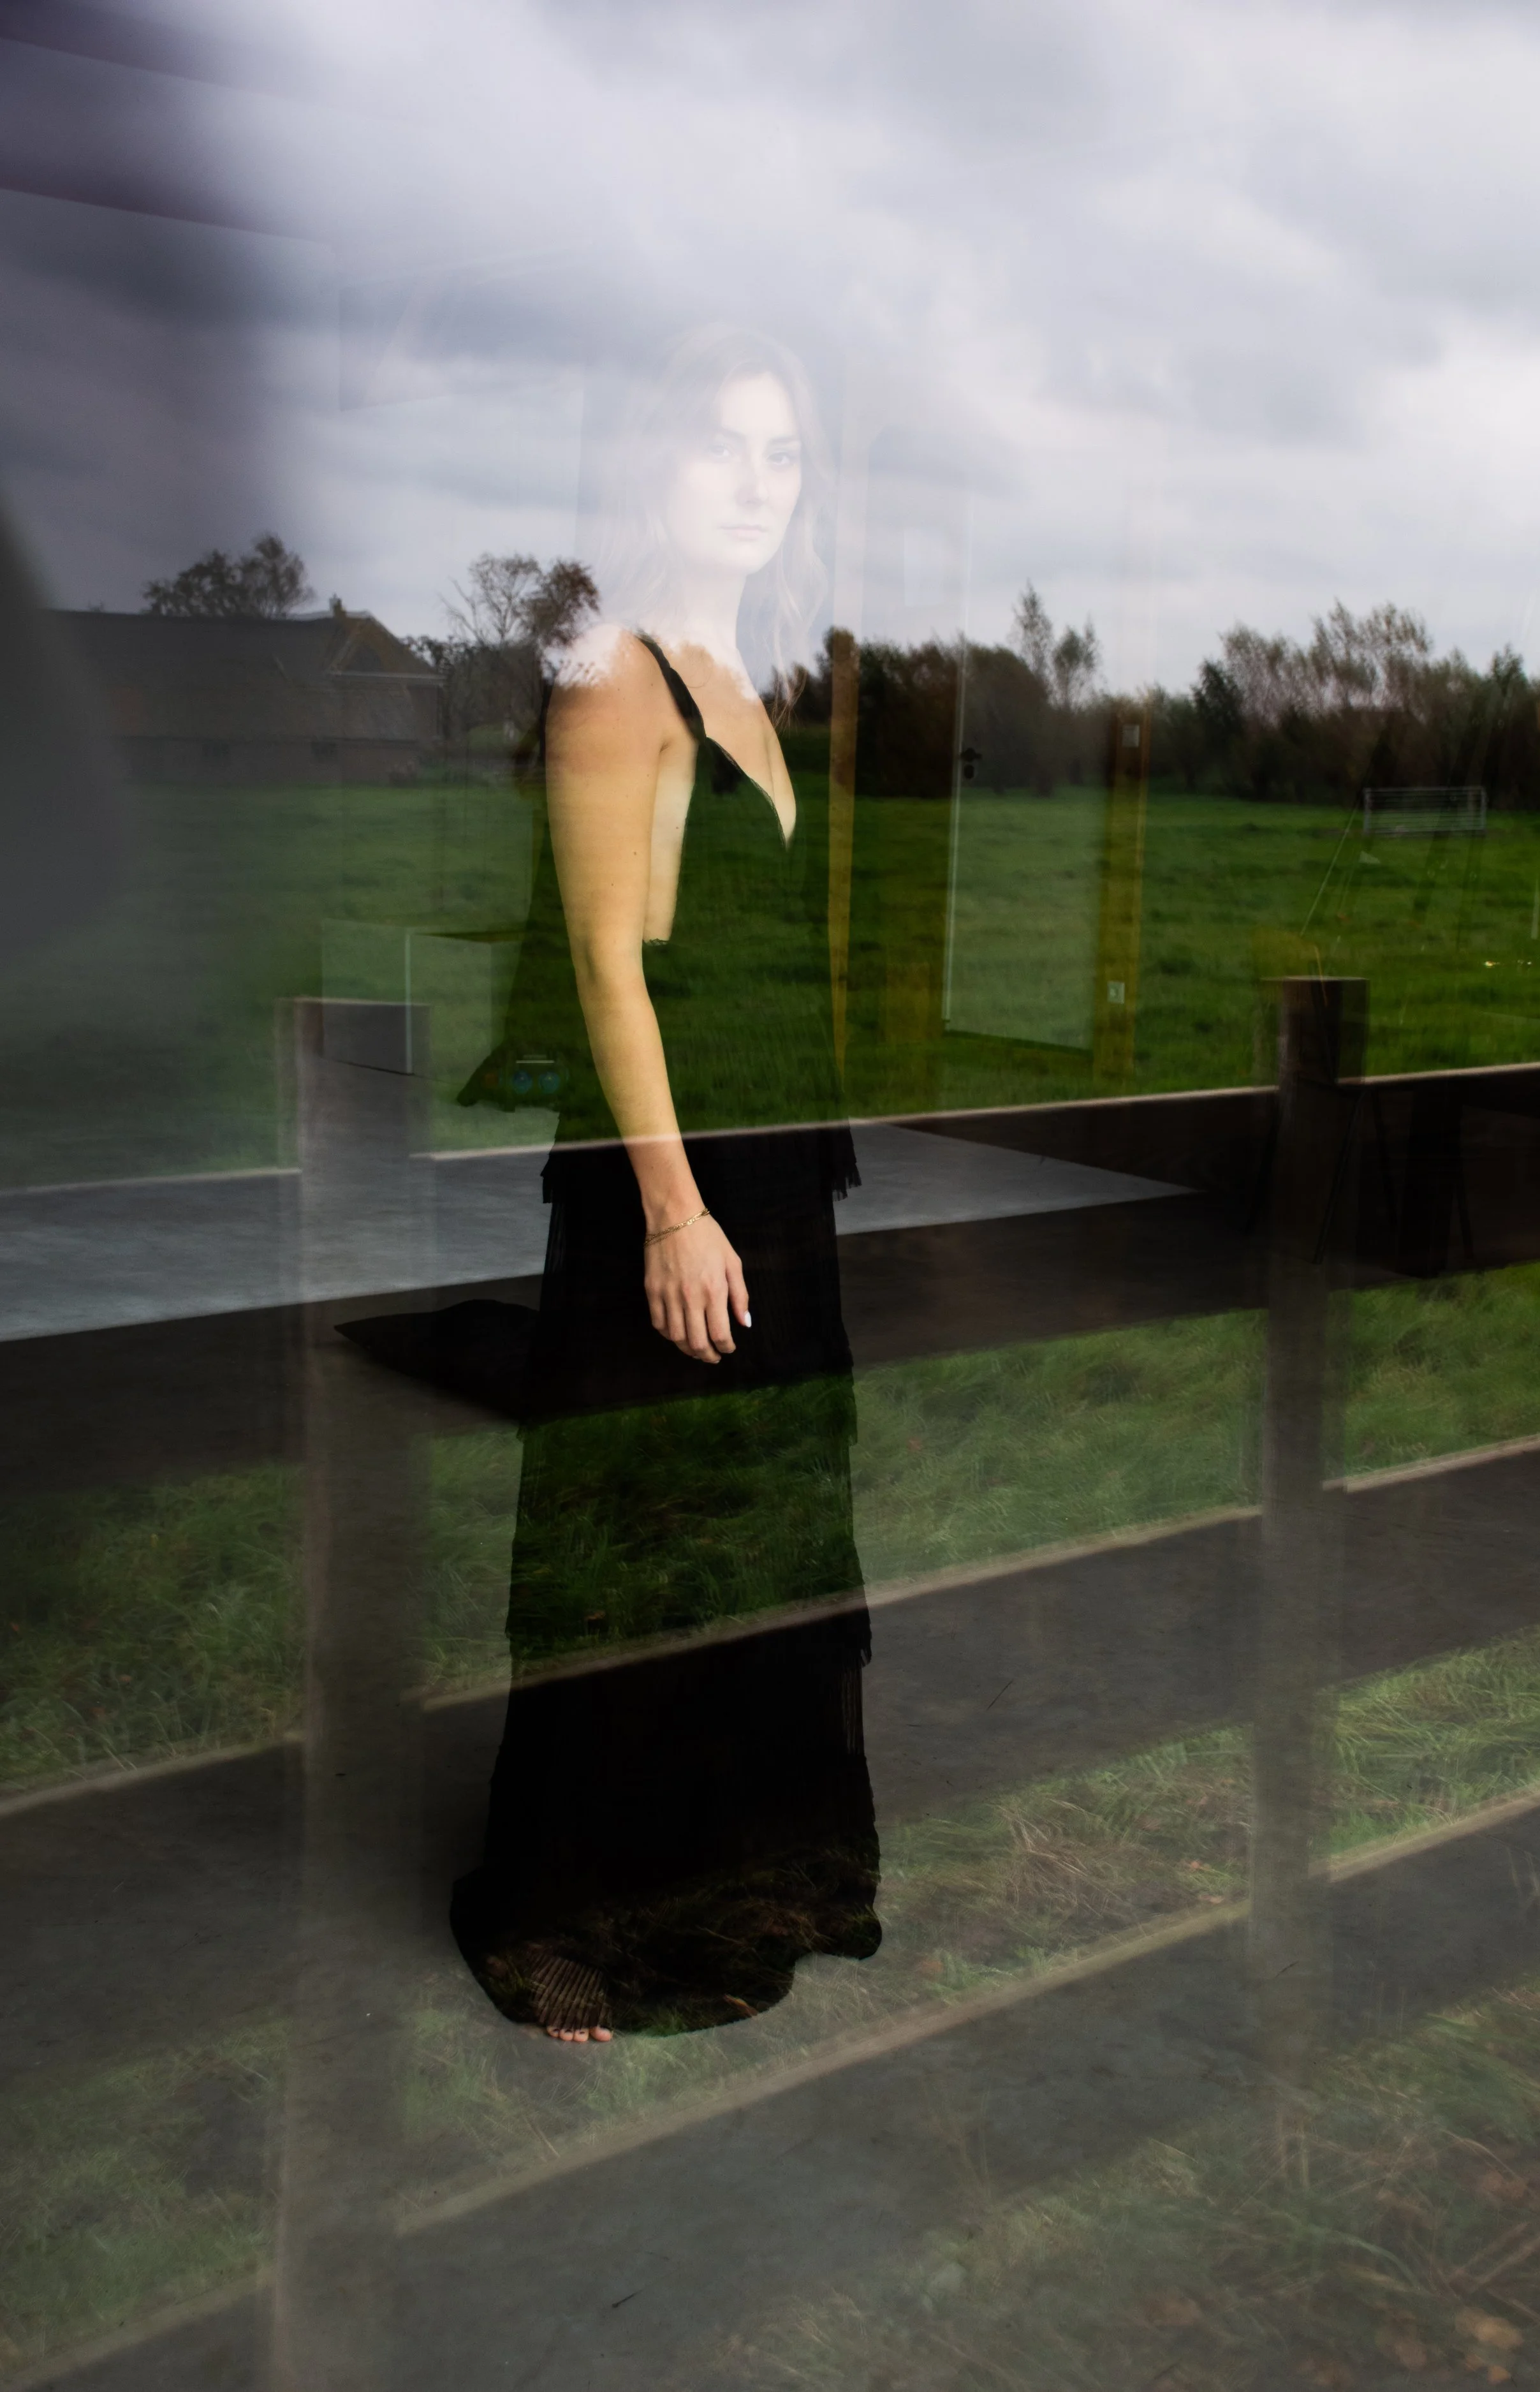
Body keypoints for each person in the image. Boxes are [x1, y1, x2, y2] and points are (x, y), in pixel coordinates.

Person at [450, 328, 881, 2042]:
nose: (759, 478)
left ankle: (721, 1883)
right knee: (637, 1549)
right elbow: (609, 967)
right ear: (650, 468)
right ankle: (576, 1921)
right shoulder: (617, 673)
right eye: (723, 445)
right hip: (671, 1180)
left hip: (773, 1168)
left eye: (781, 449)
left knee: (752, 1542)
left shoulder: (745, 671)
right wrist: (672, 1206)